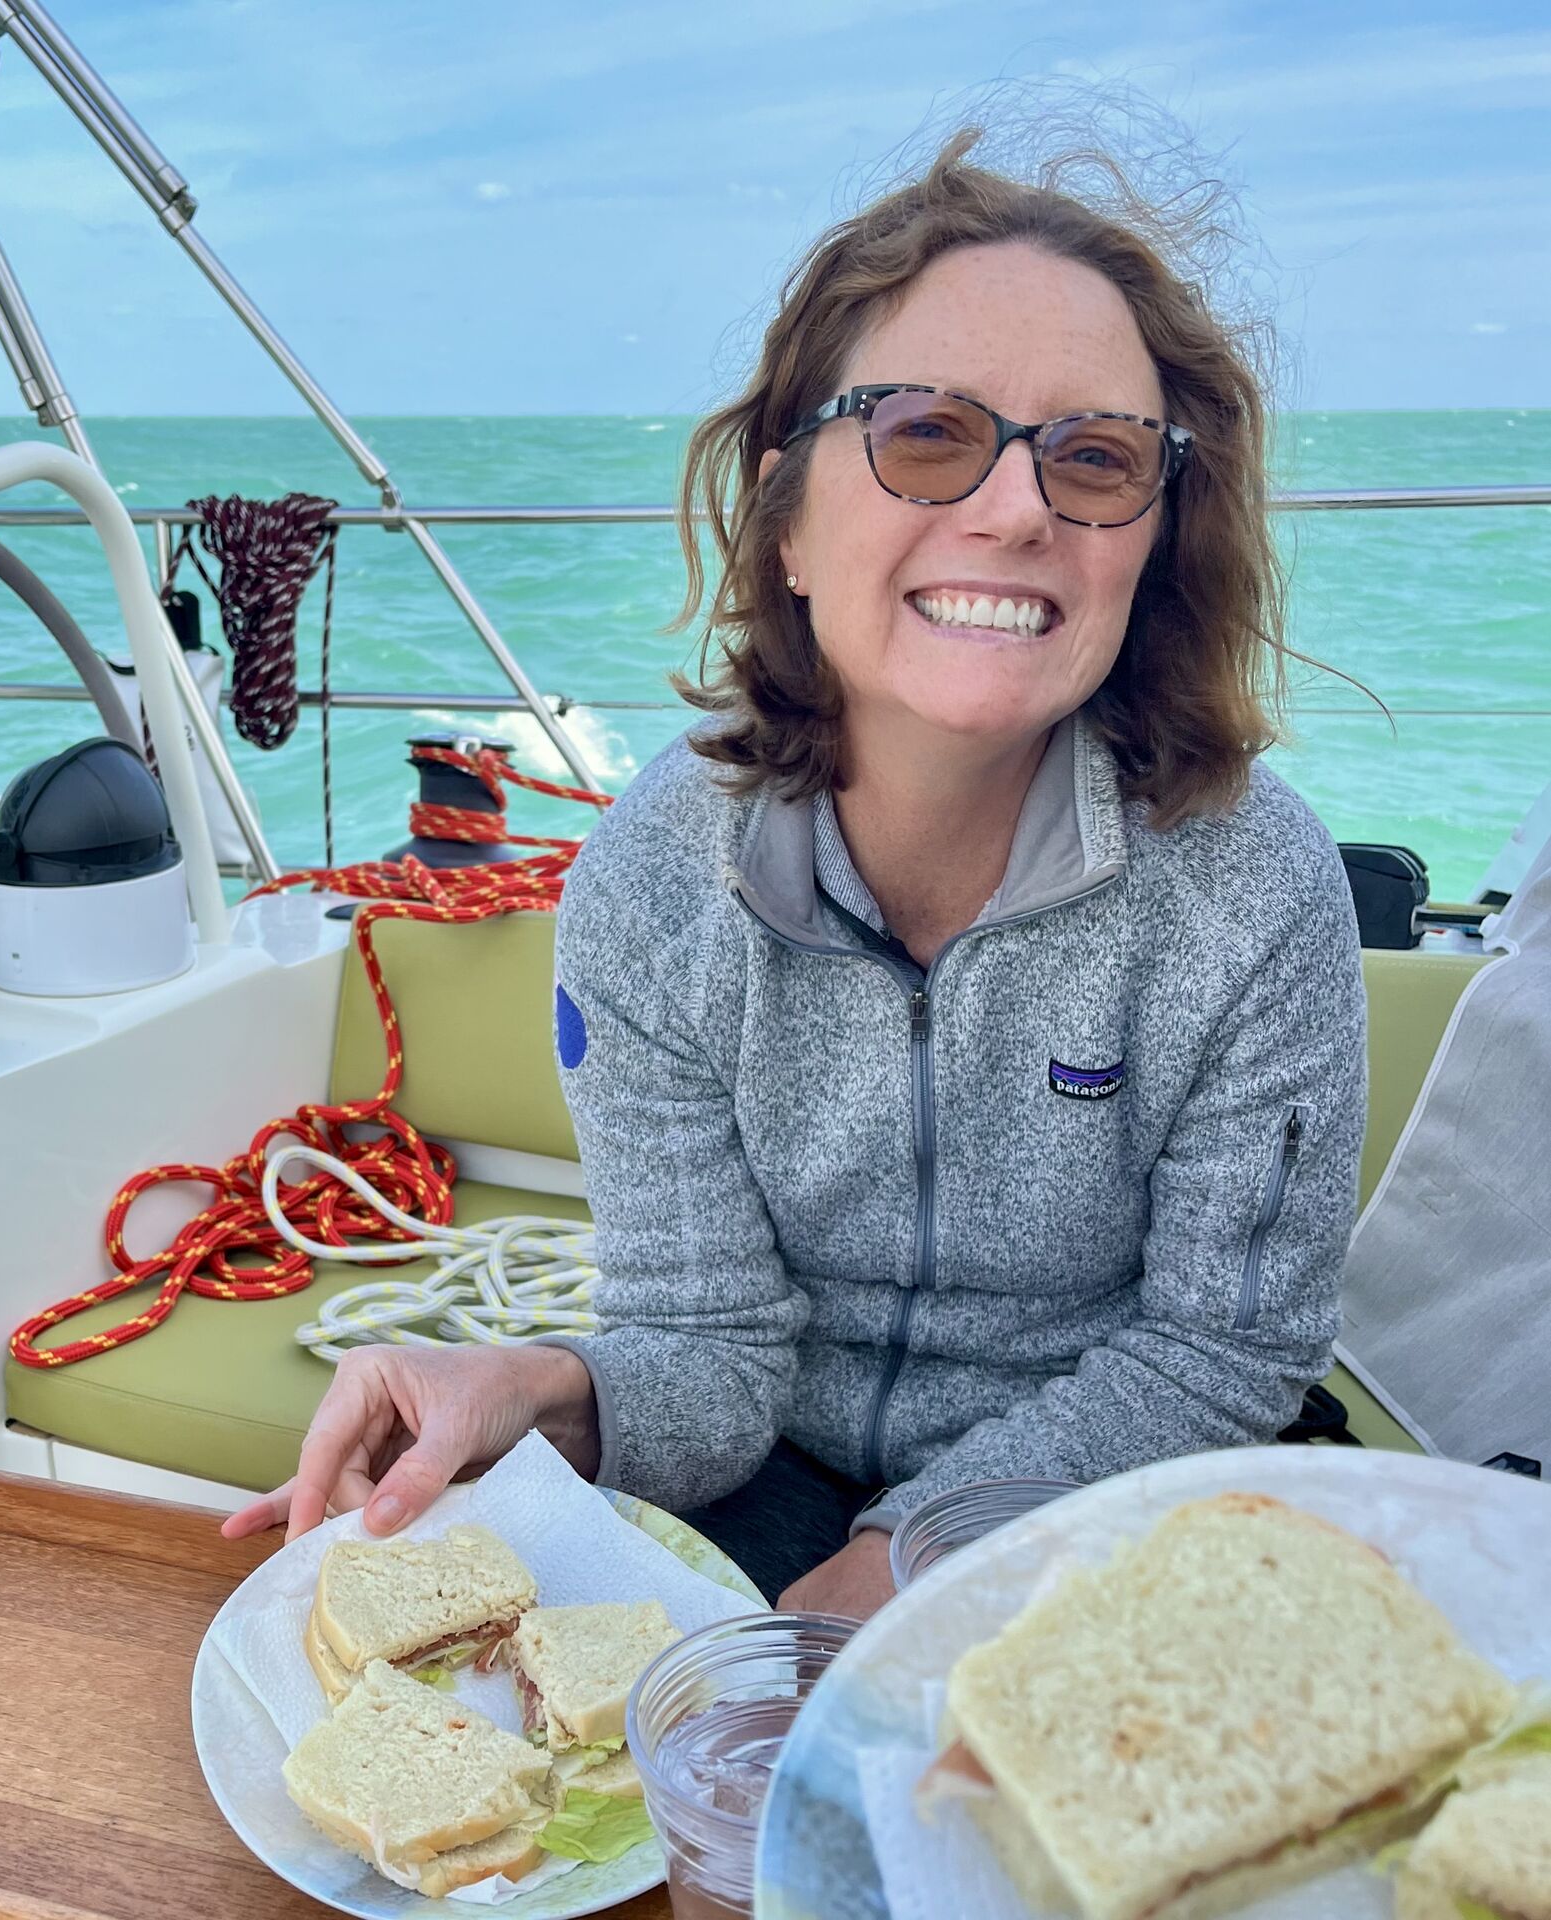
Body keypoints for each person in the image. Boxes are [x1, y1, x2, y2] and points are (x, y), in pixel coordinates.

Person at [222, 122, 1368, 1620]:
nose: (1015, 510)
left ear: (1153, 537)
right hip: (768, 1464)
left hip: (1113, 1482)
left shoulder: (1249, 883)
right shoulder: (652, 874)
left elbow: (1217, 1357)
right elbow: (703, 1350)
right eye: (925, 434)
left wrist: (912, 1554)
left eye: (1094, 458)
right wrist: (536, 1384)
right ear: (787, 518)